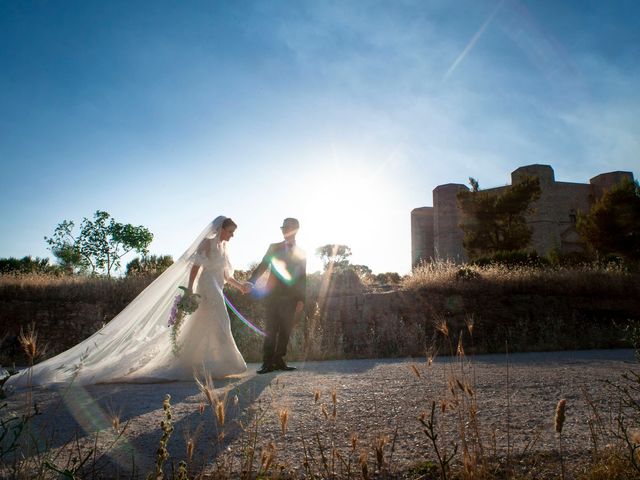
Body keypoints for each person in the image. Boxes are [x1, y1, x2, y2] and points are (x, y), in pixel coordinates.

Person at [6, 216, 250, 388]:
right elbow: (196, 267)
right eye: (230, 231)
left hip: (218, 286)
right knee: (221, 321)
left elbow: (227, 275)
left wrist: (241, 286)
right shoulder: (207, 243)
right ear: (221, 228)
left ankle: (204, 363)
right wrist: (189, 290)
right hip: (207, 287)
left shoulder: (225, 248)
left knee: (206, 325)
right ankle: (226, 363)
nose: (233, 235)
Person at [249, 217, 306, 374]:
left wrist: (301, 299)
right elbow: (263, 265)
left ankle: (279, 360)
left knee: (286, 330)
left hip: (292, 298)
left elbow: (302, 277)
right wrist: (251, 282)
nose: (284, 230)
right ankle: (267, 363)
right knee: (271, 329)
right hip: (273, 295)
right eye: (283, 228)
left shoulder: (302, 253)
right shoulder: (273, 247)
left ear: (296, 229)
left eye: (287, 227)